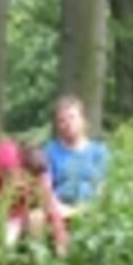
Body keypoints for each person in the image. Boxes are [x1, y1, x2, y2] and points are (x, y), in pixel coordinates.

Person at [0, 139, 66, 256]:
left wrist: (60, 241)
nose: (6, 176)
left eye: (8, 173)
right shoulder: (4, 160)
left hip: (18, 216)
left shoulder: (40, 178)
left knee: (10, 238)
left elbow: (52, 207)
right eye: (3, 173)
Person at [42, 94, 109, 223]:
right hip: (60, 211)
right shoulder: (50, 151)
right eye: (62, 120)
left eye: (72, 117)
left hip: (92, 211)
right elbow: (46, 187)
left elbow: (102, 186)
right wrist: (60, 209)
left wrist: (88, 208)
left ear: (83, 120)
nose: (68, 124)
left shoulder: (99, 151)